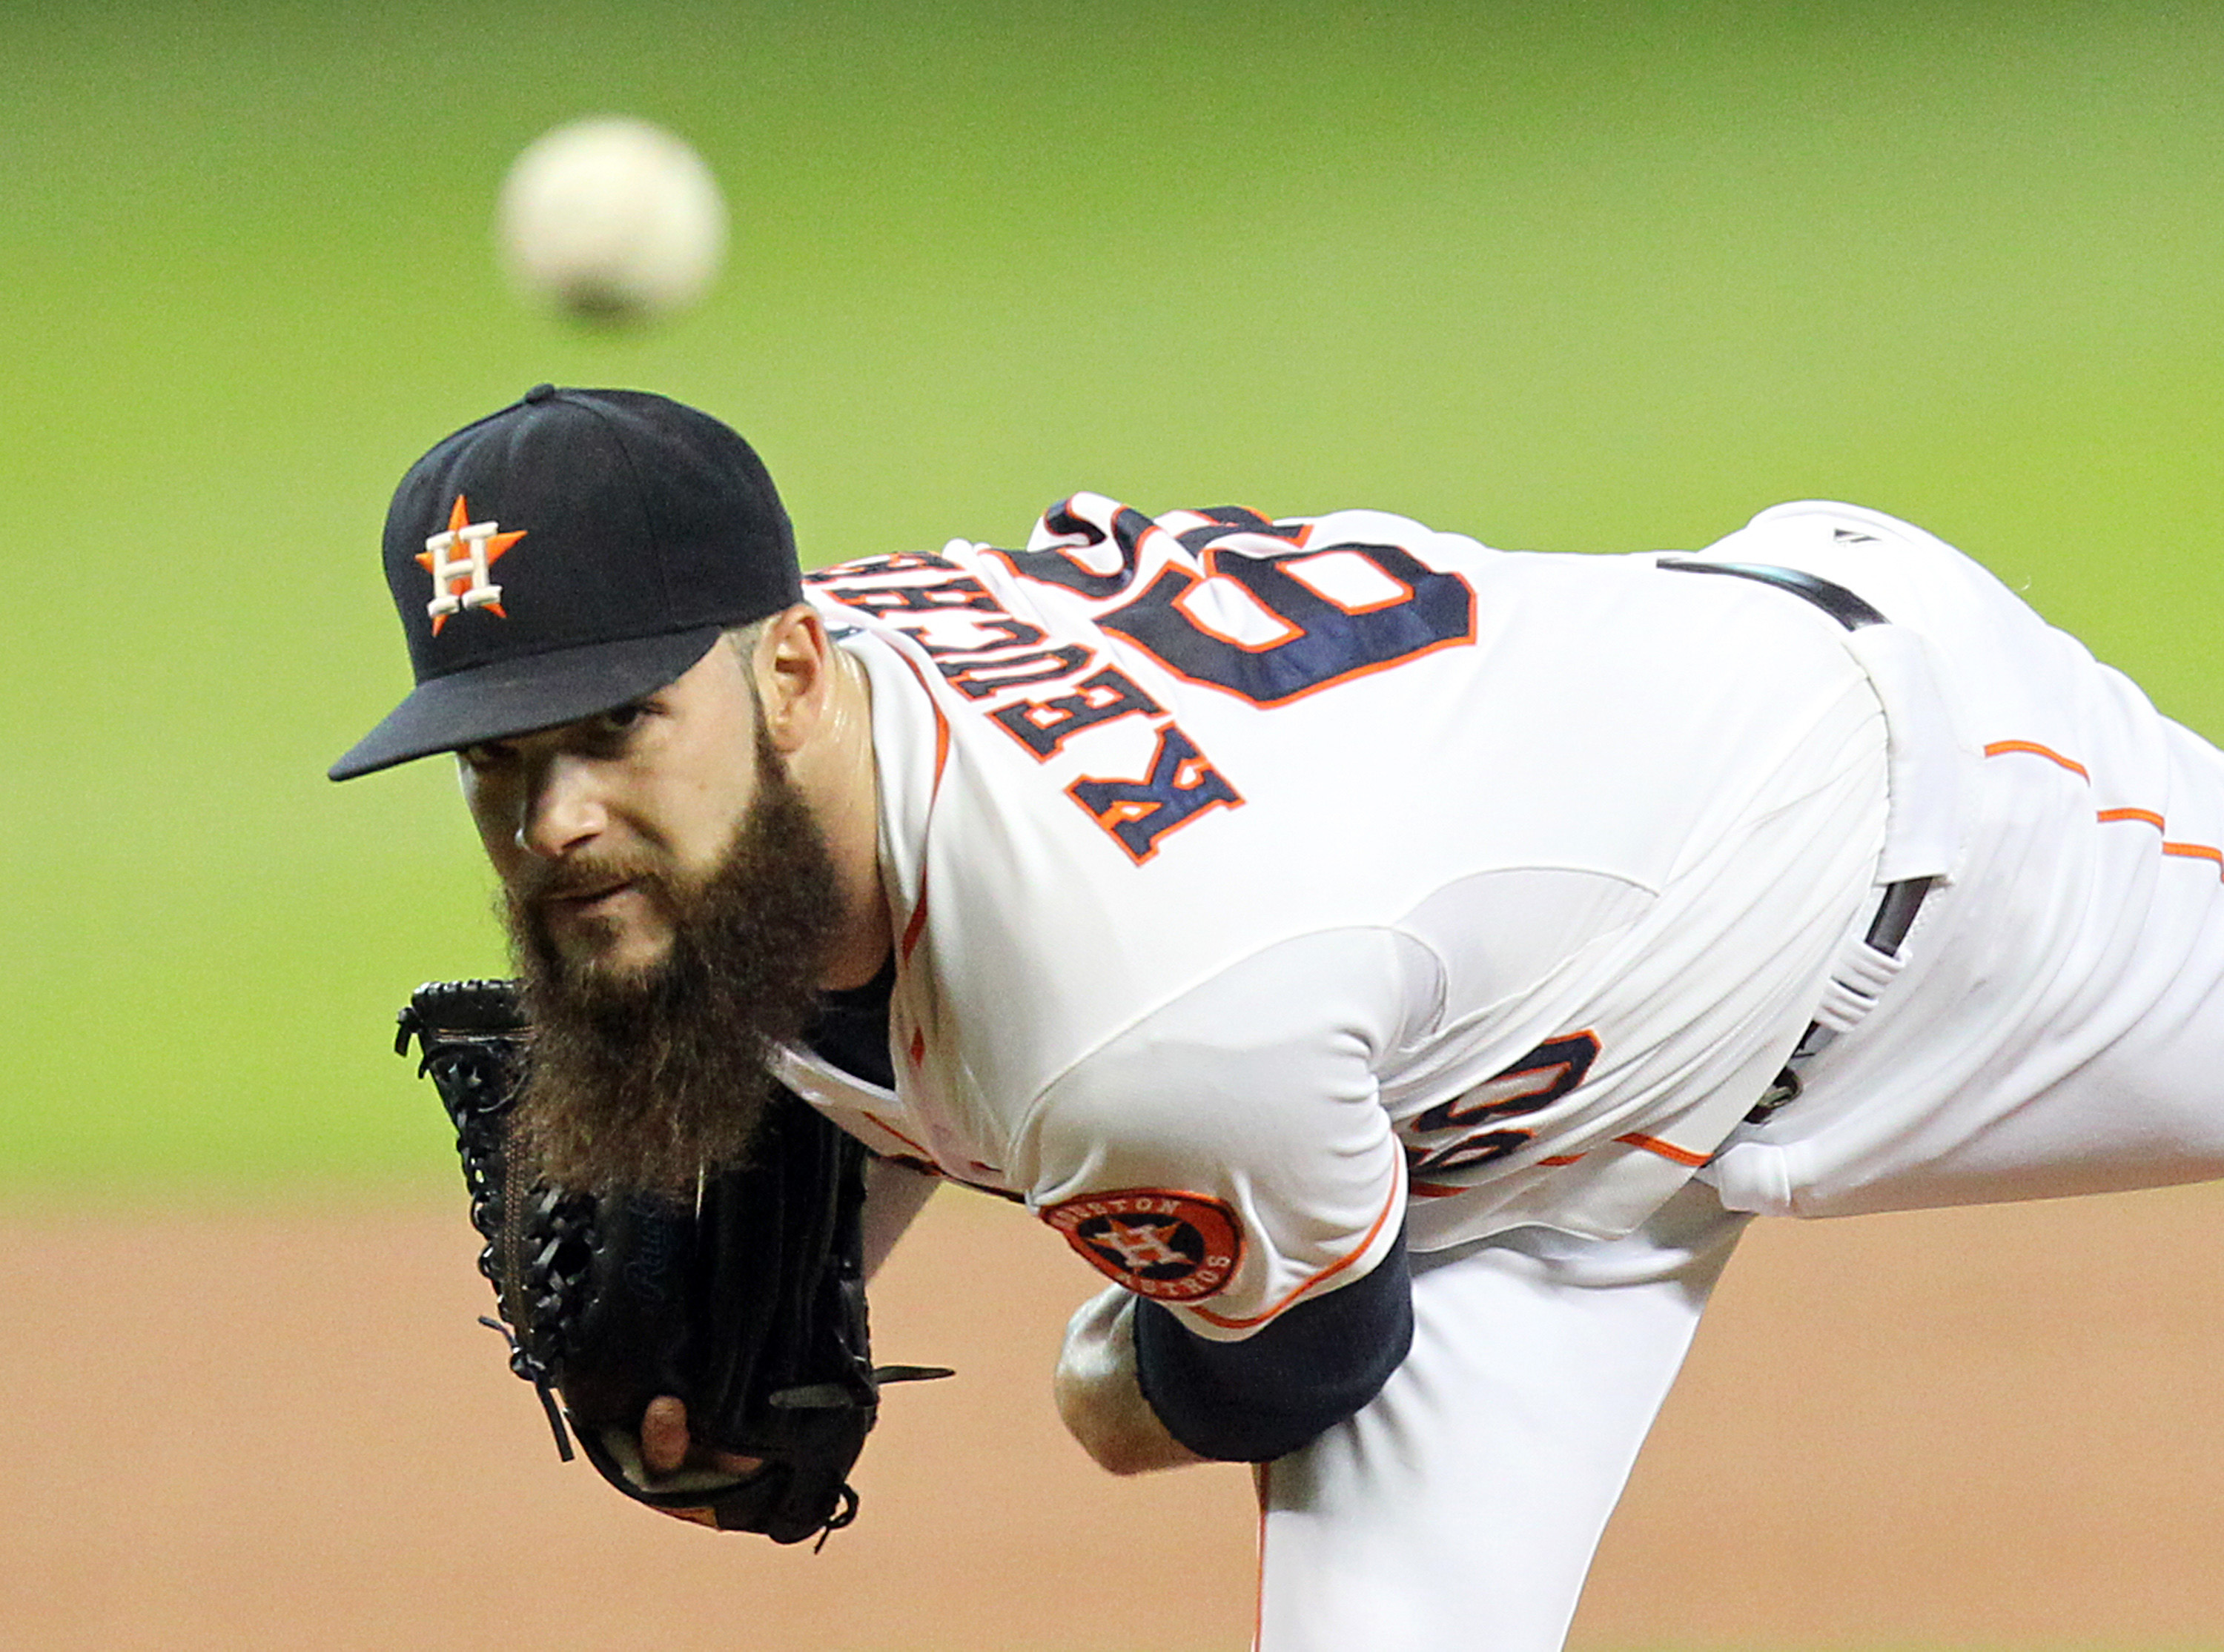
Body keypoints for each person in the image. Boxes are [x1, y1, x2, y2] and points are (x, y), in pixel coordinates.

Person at [332, 384, 2224, 1651]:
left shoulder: (1133, 1016)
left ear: (798, 665)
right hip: (1462, 1146)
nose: (555, 818)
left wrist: (1119, 1382)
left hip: (1931, 856)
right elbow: (858, 978)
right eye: (495, 757)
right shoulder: (802, 722)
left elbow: (1307, 1351)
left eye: (608, 729)